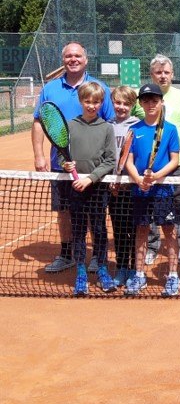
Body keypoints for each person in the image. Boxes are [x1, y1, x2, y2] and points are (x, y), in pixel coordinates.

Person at [32, 42, 115, 274]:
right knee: (64, 210)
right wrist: (39, 155)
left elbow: (110, 122)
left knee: (95, 212)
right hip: (61, 165)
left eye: (77, 55)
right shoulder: (50, 89)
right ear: (64, 60)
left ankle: (98, 256)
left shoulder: (100, 87)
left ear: (85, 59)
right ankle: (67, 254)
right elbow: (39, 121)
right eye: (68, 56)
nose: (73, 59)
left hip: (94, 166)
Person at [144, 54, 180, 266]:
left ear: (172, 74)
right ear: (152, 75)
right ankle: (152, 246)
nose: (163, 76)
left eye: (166, 72)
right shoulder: (143, 97)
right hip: (149, 165)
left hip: (179, 163)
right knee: (149, 205)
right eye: (158, 72)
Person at [123, 84, 180, 296]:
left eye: (154, 100)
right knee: (141, 230)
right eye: (146, 100)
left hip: (163, 190)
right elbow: (128, 160)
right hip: (140, 189)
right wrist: (138, 179)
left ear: (161, 102)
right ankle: (139, 274)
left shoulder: (171, 129)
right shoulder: (134, 129)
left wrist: (157, 177)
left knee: (169, 230)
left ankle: (173, 275)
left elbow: (174, 160)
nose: (150, 104)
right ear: (140, 103)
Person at [60, 82, 117, 296]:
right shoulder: (70, 125)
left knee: (99, 230)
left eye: (96, 102)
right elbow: (61, 153)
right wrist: (66, 165)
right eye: (87, 101)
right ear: (80, 101)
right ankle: (81, 273)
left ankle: (102, 269)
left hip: (97, 188)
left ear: (102, 103)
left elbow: (110, 160)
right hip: (75, 187)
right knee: (78, 231)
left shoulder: (106, 128)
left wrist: (91, 178)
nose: (92, 105)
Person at [108, 85, 140, 287]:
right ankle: (121, 268)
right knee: (119, 230)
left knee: (136, 230)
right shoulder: (106, 125)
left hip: (133, 188)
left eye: (126, 103)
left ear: (133, 105)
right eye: (117, 103)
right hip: (112, 188)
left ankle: (136, 269)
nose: (121, 107)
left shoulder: (137, 126)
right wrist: (111, 180)